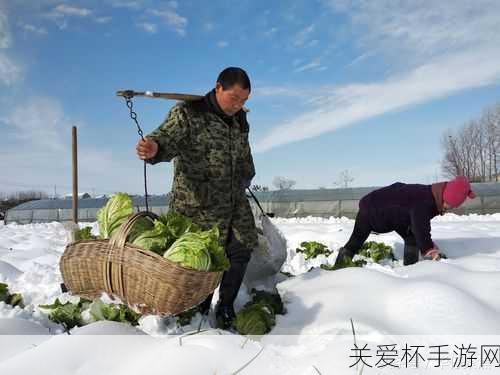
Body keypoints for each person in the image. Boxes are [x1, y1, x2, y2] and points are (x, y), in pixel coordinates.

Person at [136, 67, 258, 329]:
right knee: (200, 260)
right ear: (218, 88)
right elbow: (165, 137)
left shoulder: (240, 120)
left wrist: (247, 174)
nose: (238, 106)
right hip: (197, 206)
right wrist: (153, 148)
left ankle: (225, 305)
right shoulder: (189, 113)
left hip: (234, 201)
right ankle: (196, 309)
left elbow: (244, 153)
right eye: (234, 98)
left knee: (241, 248)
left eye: (244, 101)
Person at [334, 176, 476, 268]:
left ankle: (411, 269)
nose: (447, 208)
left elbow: (417, 224)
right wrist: (430, 250)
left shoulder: (430, 193)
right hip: (372, 212)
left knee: (411, 237)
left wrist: (428, 245)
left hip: (396, 217)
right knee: (355, 241)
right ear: (444, 197)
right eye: (448, 204)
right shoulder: (425, 201)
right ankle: (339, 268)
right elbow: (421, 227)